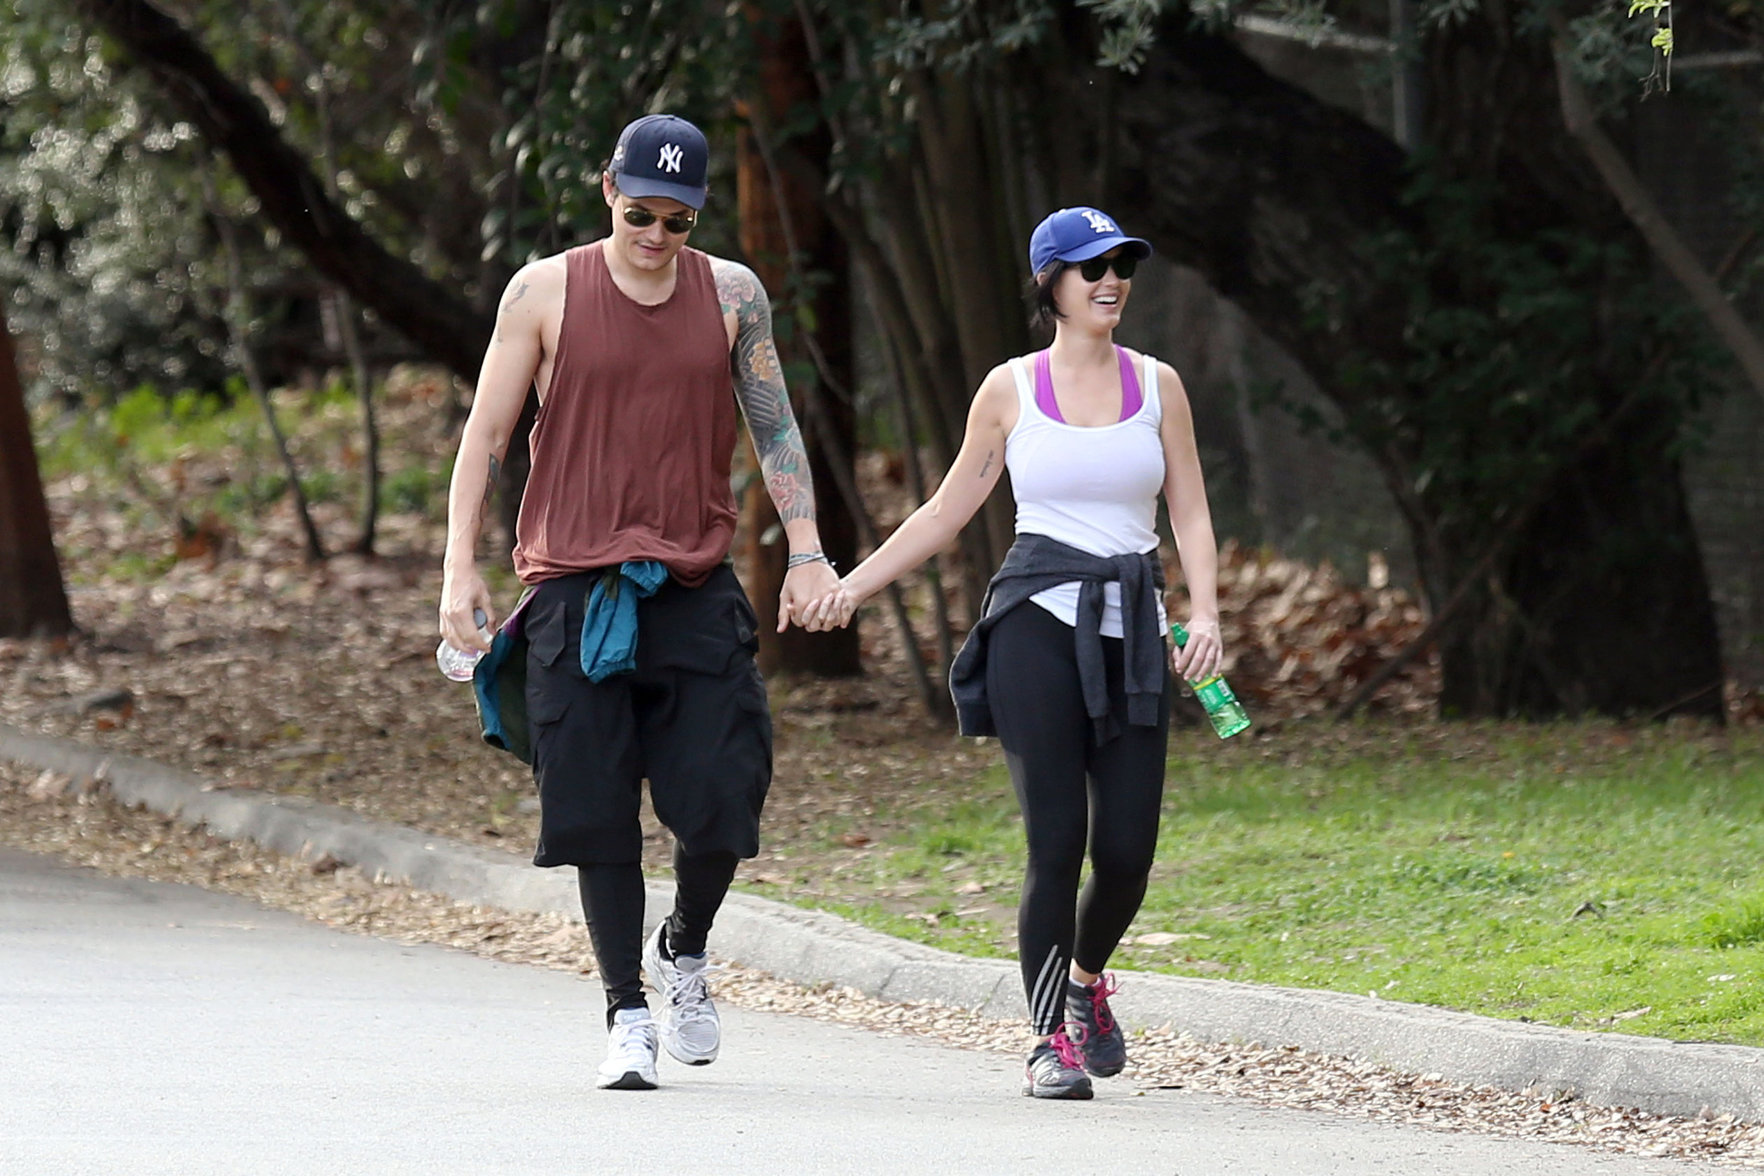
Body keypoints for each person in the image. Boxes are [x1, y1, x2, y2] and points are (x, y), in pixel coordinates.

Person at [438, 113, 839, 1091]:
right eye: (640, 215)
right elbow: (486, 437)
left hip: (694, 587)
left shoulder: (734, 297)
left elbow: (776, 432)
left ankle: (685, 949)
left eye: (678, 221)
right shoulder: (544, 292)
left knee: (723, 800)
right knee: (596, 810)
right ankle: (625, 1011)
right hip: (574, 588)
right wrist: (458, 570)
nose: (657, 237)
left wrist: (810, 555)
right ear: (605, 190)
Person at [798, 206, 1225, 1100]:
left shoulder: (1160, 384)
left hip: (1134, 625)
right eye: (1088, 269)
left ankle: (1085, 982)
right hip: (1036, 620)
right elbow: (948, 511)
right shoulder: (1010, 390)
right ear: (1050, 285)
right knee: (1056, 841)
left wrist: (1210, 615)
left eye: (1120, 266)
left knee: (1130, 854)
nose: (1109, 282)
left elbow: (1187, 509)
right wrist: (852, 584)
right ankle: (1045, 1043)